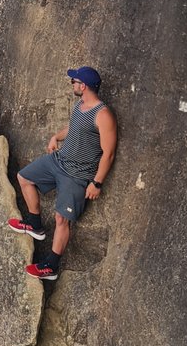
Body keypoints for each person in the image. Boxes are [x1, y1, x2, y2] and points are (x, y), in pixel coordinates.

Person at [7, 66, 117, 281]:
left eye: (73, 81)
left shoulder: (103, 115)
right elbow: (74, 128)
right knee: (24, 177)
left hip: (77, 175)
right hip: (58, 161)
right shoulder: (81, 104)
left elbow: (109, 154)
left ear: (83, 86)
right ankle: (35, 224)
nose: (72, 84)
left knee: (61, 219)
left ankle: (51, 266)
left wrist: (97, 183)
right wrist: (56, 136)